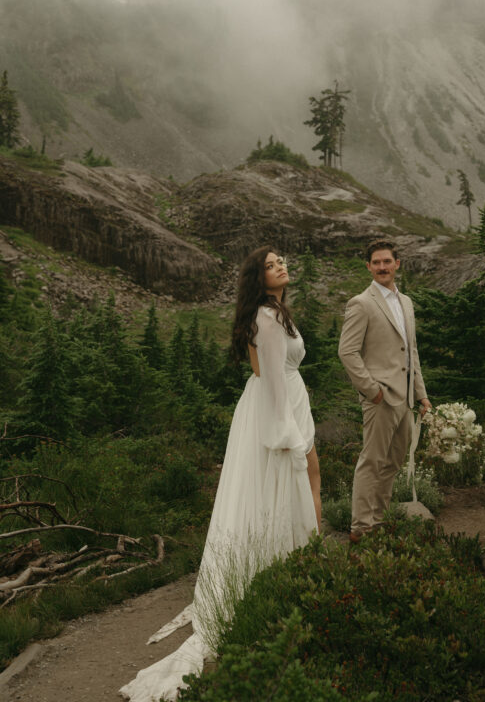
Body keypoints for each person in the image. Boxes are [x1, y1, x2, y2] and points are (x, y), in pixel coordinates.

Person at [120, 247, 320, 702]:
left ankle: (299, 561)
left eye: (282, 261)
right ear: (258, 276)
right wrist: (285, 433)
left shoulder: (272, 312)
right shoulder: (266, 319)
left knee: (300, 485)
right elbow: (267, 377)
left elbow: (265, 370)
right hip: (276, 410)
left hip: (286, 402)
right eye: (271, 265)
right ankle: (293, 566)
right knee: (293, 482)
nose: (281, 267)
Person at [338, 238, 431, 542]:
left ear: (397, 264)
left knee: (392, 462)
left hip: (404, 398)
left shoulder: (406, 302)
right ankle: (361, 528)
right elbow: (347, 352)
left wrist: (420, 394)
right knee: (372, 461)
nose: (382, 267)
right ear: (368, 267)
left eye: (386, 261)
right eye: (376, 262)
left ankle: (379, 522)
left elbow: (411, 351)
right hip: (379, 398)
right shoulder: (361, 303)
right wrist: (371, 390)